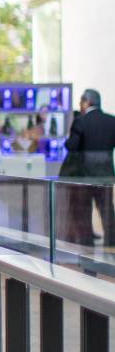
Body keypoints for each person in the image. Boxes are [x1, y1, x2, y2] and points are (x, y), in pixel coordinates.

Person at [60, 89, 115, 246]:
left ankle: (86, 243)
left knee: (84, 210)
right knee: (107, 209)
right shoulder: (112, 121)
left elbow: (72, 146)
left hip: (84, 174)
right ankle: (111, 241)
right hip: (106, 174)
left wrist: (66, 140)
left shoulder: (81, 121)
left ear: (86, 102)